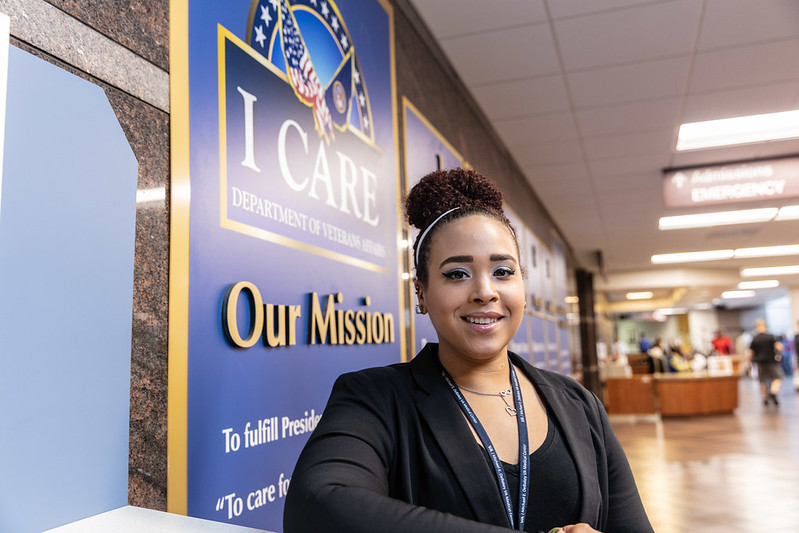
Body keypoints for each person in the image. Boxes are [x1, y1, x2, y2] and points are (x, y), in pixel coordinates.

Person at [284, 169, 653, 532]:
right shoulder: (375, 399)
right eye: (457, 273)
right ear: (421, 293)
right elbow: (317, 504)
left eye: (503, 272)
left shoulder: (578, 404)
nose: (485, 291)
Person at [748, 319, 783, 406]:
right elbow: (779, 347)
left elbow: (750, 353)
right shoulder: (770, 337)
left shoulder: (754, 339)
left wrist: (749, 363)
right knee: (777, 378)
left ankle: (765, 397)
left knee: (762, 380)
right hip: (771, 361)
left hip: (759, 363)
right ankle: (773, 392)